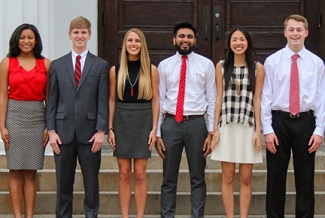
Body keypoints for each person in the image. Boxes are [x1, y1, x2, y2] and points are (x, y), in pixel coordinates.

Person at [261, 14, 325, 218]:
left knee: (305, 180)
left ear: (306, 33)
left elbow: (322, 97)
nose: (295, 33)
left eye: (299, 29)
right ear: (285, 33)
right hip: (279, 122)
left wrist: (319, 130)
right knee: (275, 179)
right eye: (291, 29)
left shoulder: (316, 63)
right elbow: (266, 97)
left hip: (306, 122)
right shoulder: (272, 61)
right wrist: (268, 129)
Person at [46, 16, 109, 218]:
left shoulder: (100, 65)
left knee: (91, 182)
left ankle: (91, 214)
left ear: (90, 35)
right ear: (70, 35)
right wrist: (52, 130)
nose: (79, 36)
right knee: (63, 181)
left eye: (83, 32)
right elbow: (52, 100)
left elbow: (102, 99)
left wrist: (101, 130)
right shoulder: (57, 65)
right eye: (76, 32)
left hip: (90, 133)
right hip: (62, 133)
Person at [155, 21, 216, 218]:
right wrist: (157, 133)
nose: (185, 40)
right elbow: (160, 100)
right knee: (168, 177)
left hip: (197, 124)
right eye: (181, 36)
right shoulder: (164, 66)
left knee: (198, 177)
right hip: (171, 124)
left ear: (195, 40)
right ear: (174, 39)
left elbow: (212, 100)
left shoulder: (206, 64)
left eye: (189, 37)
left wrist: (211, 132)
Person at [210, 27, 264, 217]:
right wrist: (215, 128)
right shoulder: (221, 66)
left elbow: (257, 99)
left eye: (242, 39)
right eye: (234, 40)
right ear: (229, 44)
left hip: (247, 126)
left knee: (246, 178)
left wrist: (258, 130)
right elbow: (218, 97)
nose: (238, 43)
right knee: (227, 176)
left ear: (247, 42)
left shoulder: (257, 67)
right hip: (226, 125)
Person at [107, 28, 159, 218]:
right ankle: (125, 216)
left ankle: (139, 215)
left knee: (140, 173)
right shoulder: (115, 70)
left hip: (144, 120)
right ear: (125, 44)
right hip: (122, 120)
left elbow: (155, 100)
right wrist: (110, 128)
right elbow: (112, 99)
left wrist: (155, 128)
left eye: (137, 41)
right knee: (124, 172)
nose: (133, 44)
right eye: (130, 40)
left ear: (142, 44)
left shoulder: (152, 70)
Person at [0, 23, 51, 218]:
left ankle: (29, 215)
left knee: (31, 170)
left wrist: (49, 125)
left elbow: (49, 98)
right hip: (14, 115)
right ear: (16, 40)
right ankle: (17, 216)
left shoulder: (46, 64)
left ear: (36, 40)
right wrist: (2, 125)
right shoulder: (7, 63)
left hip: (38, 116)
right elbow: (3, 96)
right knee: (15, 169)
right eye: (22, 37)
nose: (26, 41)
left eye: (30, 37)